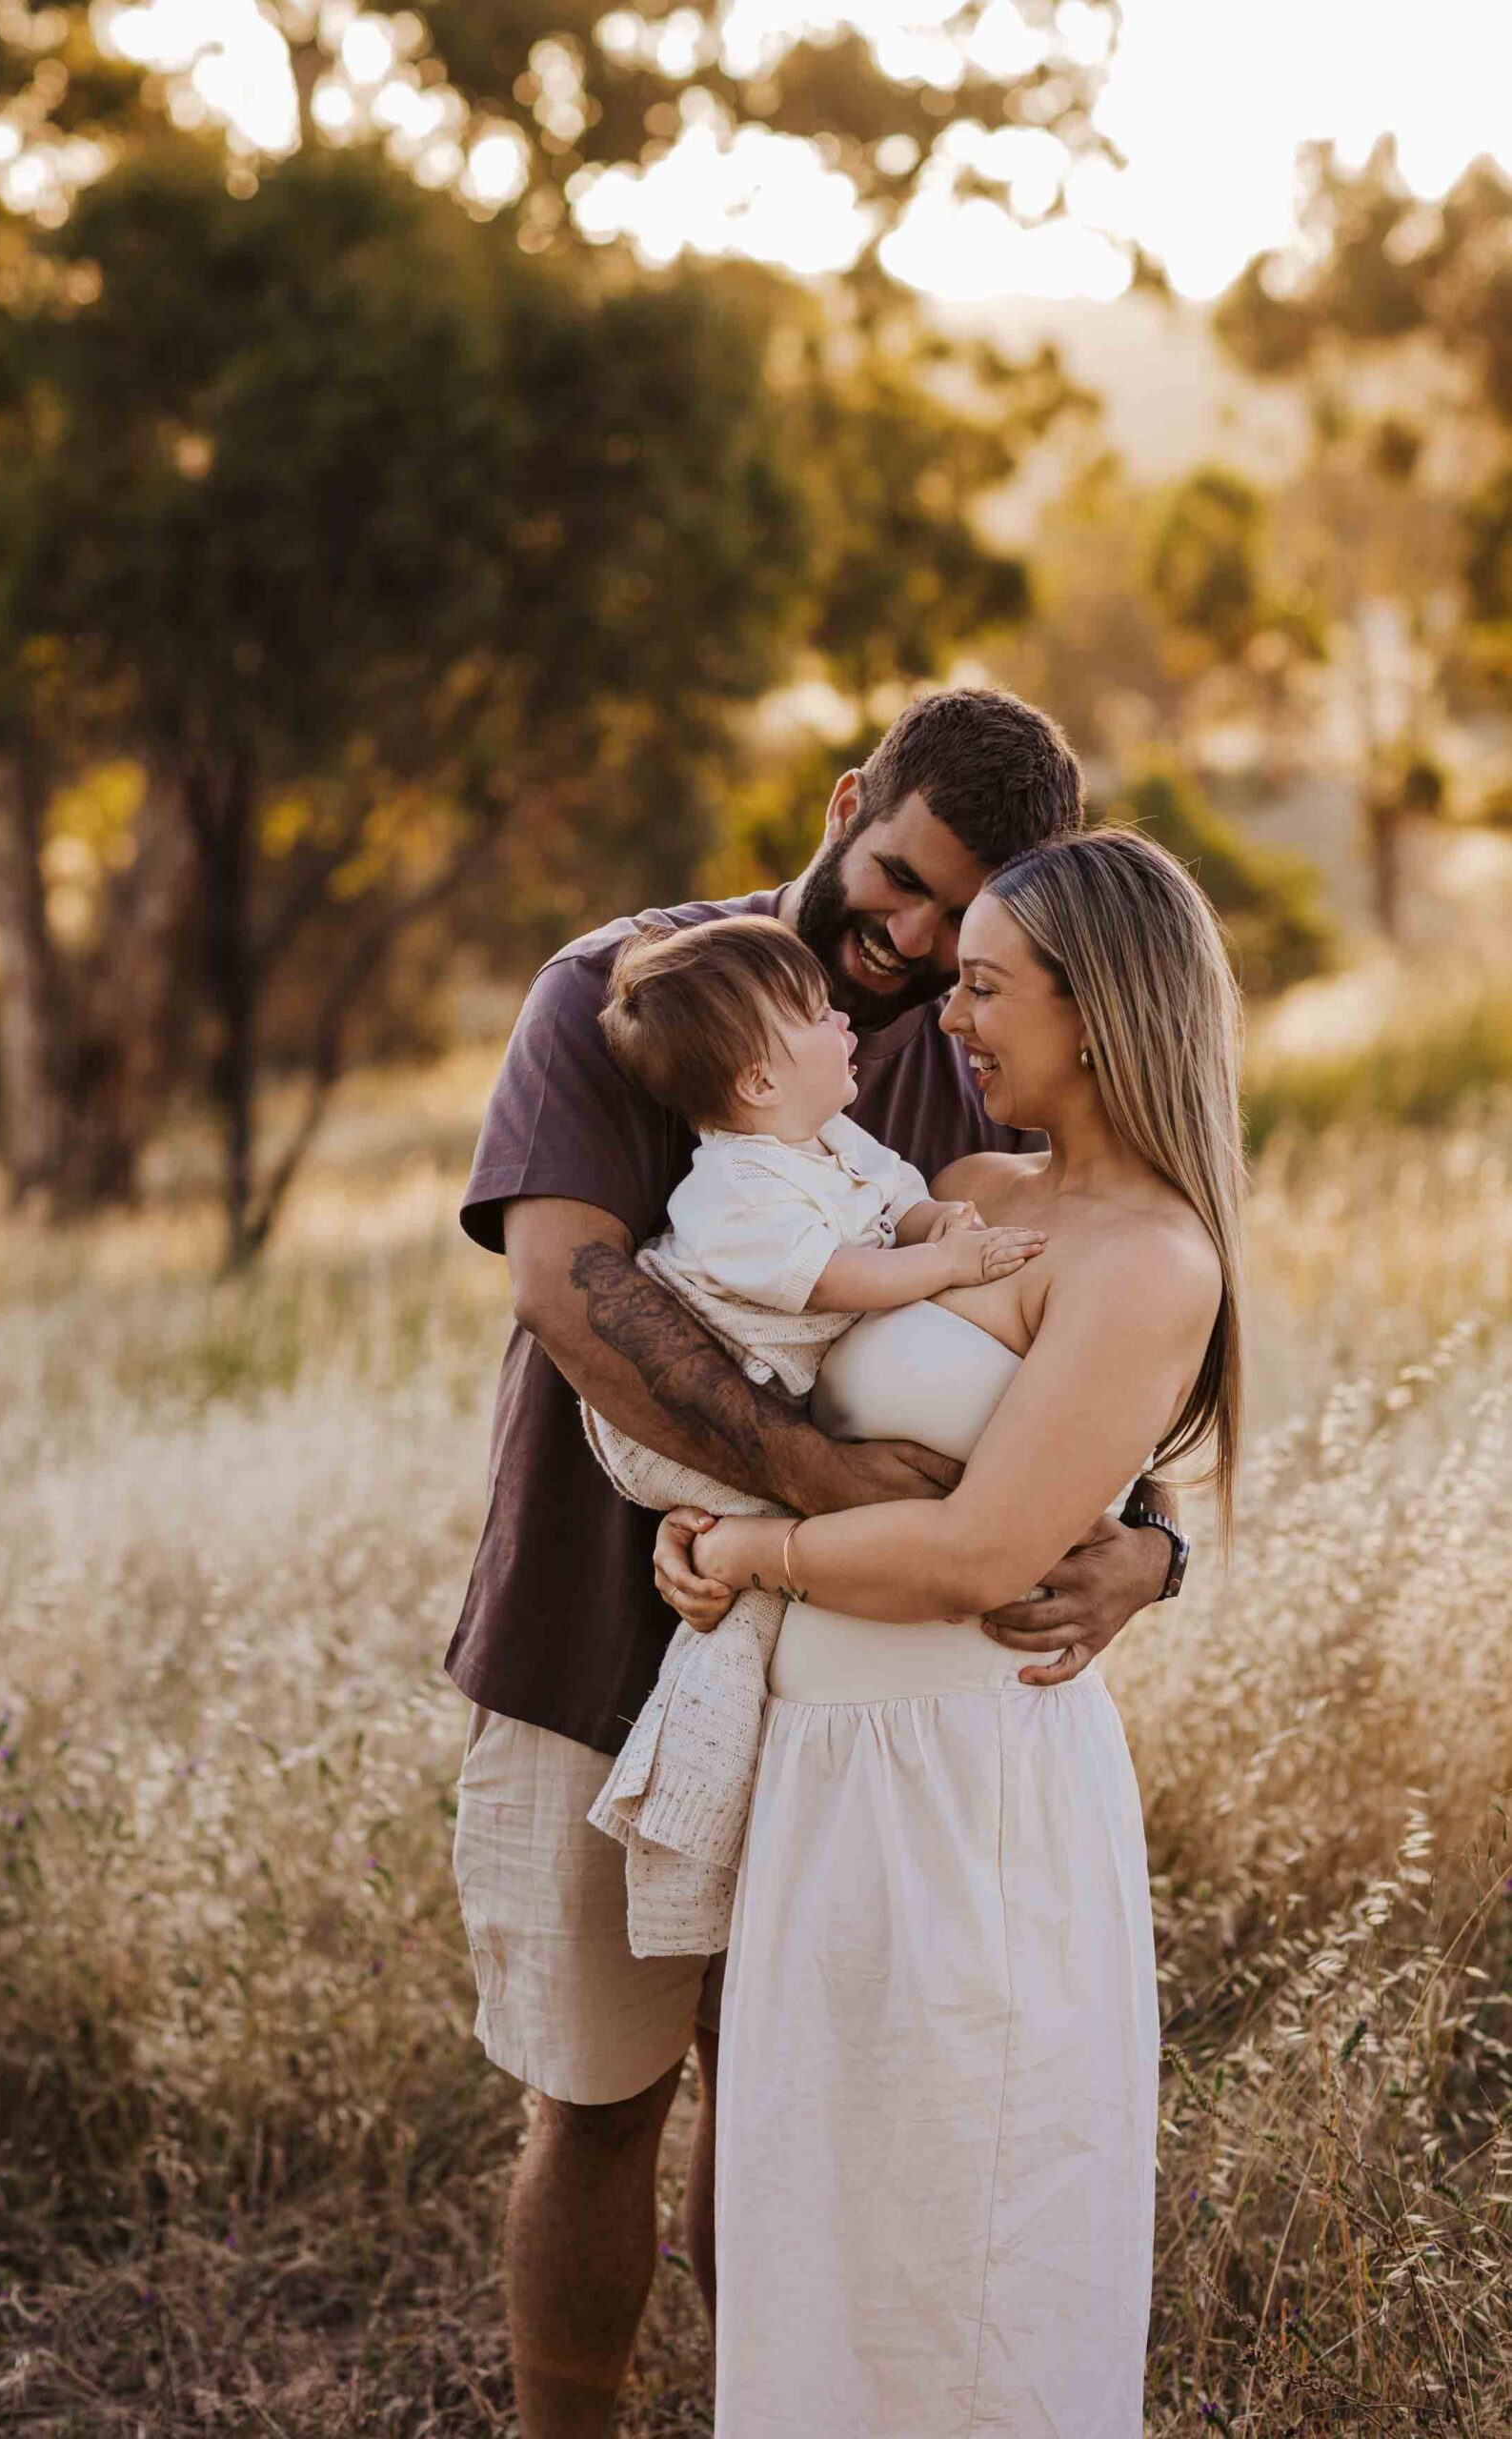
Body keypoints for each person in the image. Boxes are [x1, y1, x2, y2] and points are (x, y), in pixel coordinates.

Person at [448, 689, 1181, 2439]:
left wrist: (1151, 1545)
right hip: (592, 1645)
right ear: (852, 800)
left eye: (965, 920)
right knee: (600, 2105)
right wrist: (834, 1503)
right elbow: (576, 1291)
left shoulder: (968, 1038)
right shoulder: (623, 994)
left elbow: (1077, 1337)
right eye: (903, 880)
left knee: (799, 2119)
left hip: (852, 1693)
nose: (916, 943)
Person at [655, 827, 1240, 2437]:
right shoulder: (960, 1196)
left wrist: (753, 1547)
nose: (952, 1016)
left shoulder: (1152, 1261)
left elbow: (986, 1550)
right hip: (827, 1763)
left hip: (968, 1788)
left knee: (968, 2248)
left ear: (1100, 1007)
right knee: (823, 2229)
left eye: (984, 986)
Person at [583, 914, 1048, 1958]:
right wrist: (947, 1270)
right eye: (810, 1014)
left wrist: (939, 1229)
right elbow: (837, 1278)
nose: (844, 1017)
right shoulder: (734, 1191)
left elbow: (901, 1209)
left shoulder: (833, 1141)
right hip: (674, 1420)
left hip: (781, 1394)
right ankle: (691, 1776)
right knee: (736, 1547)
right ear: (754, 1082)